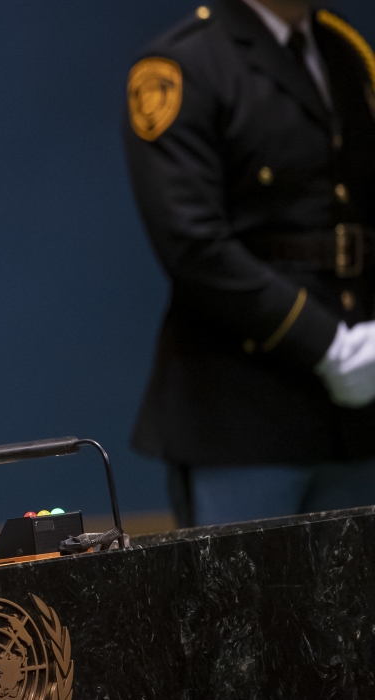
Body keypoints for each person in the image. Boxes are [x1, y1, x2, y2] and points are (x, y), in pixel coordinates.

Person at [124, 0, 375, 528]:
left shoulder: (344, 52)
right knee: (245, 609)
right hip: (243, 414)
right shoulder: (182, 66)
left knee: (357, 610)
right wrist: (328, 345)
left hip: (356, 418)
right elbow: (193, 246)